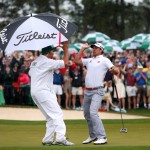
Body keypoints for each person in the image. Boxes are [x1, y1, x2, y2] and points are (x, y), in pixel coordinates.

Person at [28, 41, 74, 146]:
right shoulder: (47, 61)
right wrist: (66, 49)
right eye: (52, 51)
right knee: (57, 114)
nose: (53, 53)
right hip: (44, 91)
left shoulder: (34, 62)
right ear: (49, 53)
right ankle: (60, 138)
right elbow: (65, 63)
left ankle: (47, 139)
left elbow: (31, 73)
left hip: (35, 92)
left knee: (50, 117)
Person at [74, 42, 119, 145]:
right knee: (86, 114)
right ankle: (93, 135)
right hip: (87, 91)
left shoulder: (104, 60)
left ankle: (102, 137)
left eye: (96, 48)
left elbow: (114, 69)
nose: (94, 49)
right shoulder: (89, 60)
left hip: (97, 90)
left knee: (93, 113)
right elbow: (76, 61)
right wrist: (82, 49)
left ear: (101, 50)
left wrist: (115, 70)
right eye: (93, 48)